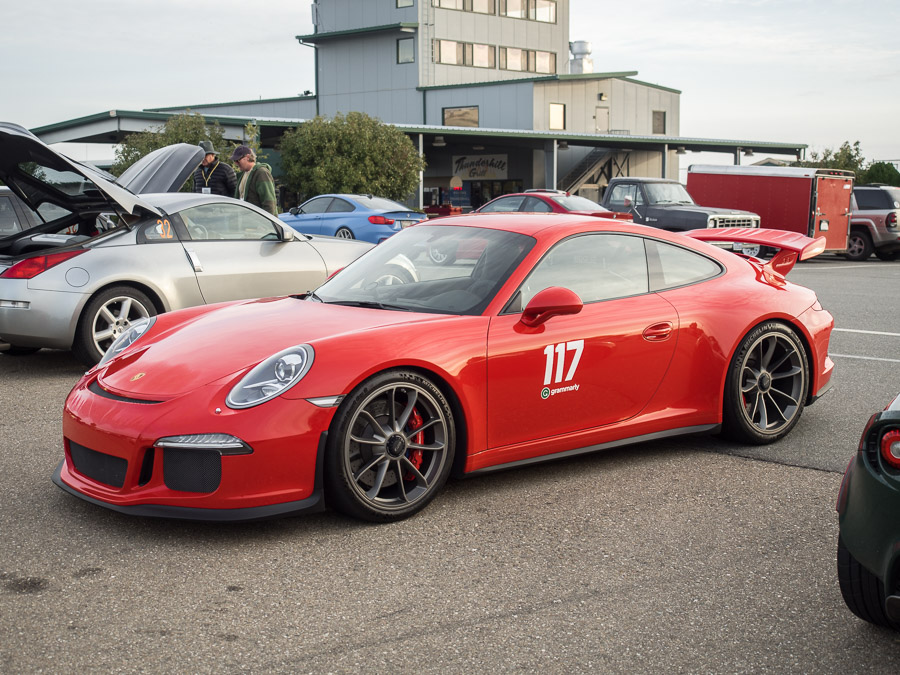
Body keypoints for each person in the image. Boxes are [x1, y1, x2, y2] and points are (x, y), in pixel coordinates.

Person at [230, 145, 277, 216]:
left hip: (259, 224)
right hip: (247, 222)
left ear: (248, 157)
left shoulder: (261, 173)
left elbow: (269, 202)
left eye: (238, 160)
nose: (236, 163)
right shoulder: (243, 174)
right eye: (234, 161)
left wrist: (266, 225)